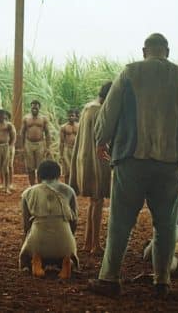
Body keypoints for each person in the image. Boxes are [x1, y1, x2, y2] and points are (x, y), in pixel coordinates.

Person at [87, 33, 178, 299]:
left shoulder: (130, 72)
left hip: (131, 158)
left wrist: (101, 140)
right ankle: (162, 281)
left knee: (120, 221)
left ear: (144, 51)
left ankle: (109, 278)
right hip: (171, 162)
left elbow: (109, 111)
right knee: (166, 224)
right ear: (167, 51)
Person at [69, 82, 113, 255]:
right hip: (96, 159)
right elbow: (103, 137)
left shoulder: (88, 107)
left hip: (84, 157)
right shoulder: (99, 110)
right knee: (98, 200)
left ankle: (88, 242)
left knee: (94, 201)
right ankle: (95, 244)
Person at [19, 160, 79, 280]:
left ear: (38, 176)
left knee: (26, 253)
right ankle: (66, 261)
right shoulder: (69, 191)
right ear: (59, 175)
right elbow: (74, 220)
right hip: (64, 240)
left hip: (38, 240)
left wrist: (27, 239)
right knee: (66, 249)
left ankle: (35, 260)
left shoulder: (28, 192)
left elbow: (26, 224)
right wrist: (70, 236)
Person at [20, 100, 52, 186]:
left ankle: (40, 186)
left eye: (36, 106)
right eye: (33, 106)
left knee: (40, 167)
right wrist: (22, 147)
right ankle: (32, 186)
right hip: (28, 144)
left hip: (40, 144)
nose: (34, 108)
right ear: (31, 107)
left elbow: (47, 133)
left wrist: (48, 147)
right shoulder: (26, 118)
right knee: (30, 168)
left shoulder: (43, 119)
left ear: (39, 108)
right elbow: (22, 133)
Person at [58, 109, 79, 182]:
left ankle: (76, 187)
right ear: (67, 117)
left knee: (77, 169)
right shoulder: (63, 127)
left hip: (76, 149)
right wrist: (61, 155)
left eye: (72, 116)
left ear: (75, 116)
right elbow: (61, 142)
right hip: (67, 149)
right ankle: (67, 186)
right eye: (69, 116)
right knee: (67, 170)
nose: (71, 117)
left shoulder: (79, 126)